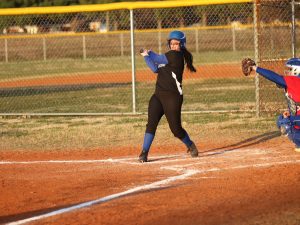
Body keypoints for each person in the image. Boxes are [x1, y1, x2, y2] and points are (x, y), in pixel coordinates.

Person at [138, 30, 199, 162]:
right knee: (151, 124)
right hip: (158, 95)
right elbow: (155, 69)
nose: (173, 46)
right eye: (171, 43)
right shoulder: (169, 56)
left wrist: (150, 53)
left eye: (176, 44)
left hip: (173, 97)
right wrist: (145, 56)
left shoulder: (176, 56)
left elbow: (158, 58)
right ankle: (144, 152)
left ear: (182, 45)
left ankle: (190, 145)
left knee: (176, 129)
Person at [243, 58, 300, 152]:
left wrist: (254, 68)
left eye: (290, 69)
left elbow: (273, 77)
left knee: (284, 122)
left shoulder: (294, 81)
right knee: (284, 118)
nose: (288, 72)